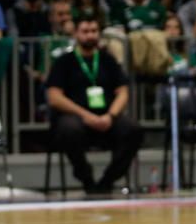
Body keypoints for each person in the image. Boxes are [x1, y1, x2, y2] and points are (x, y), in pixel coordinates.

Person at [45, 16, 143, 194]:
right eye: (85, 31)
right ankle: (85, 176)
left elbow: (123, 92)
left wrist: (110, 116)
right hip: (76, 118)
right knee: (69, 130)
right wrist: (86, 116)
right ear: (76, 34)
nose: (90, 36)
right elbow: (54, 97)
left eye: (94, 31)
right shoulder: (64, 62)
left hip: (106, 118)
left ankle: (108, 179)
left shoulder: (108, 60)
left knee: (132, 129)